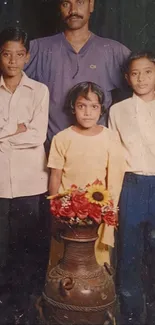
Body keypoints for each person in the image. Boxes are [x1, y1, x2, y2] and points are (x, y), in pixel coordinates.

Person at [25, 0, 130, 153]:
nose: (73, 10)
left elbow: (145, 86)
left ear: (91, 5)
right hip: (52, 154)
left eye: (80, 2)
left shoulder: (112, 51)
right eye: (66, 4)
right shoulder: (39, 49)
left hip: (98, 154)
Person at [0, 27, 49, 323]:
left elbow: (36, 135)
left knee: (24, 246)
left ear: (28, 57)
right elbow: (23, 132)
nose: (13, 61)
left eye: (19, 54)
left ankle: (21, 306)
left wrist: (4, 136)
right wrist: (14, 130)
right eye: (6, 54)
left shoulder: (39, 91)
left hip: (29, 182)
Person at [47, 81, 125, 267]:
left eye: (94, 106)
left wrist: (109, 210)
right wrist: (55, 209)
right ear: (73, 108)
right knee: (64, 259)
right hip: (68, 211)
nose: (88, 112)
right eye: (82, 106)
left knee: (95, 262)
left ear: (101, 109)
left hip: (98, 212)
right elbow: (55, 177)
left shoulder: (110, 137)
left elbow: (114, 178)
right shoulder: (62, 138)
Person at [109, 51, 155, 325]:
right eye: (135, 73)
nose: (141, 78)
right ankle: (131, 315)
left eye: (148, 71)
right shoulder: (118, 110)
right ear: (127, 77)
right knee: (129, 252)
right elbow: (114, 155)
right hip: (132, 185)